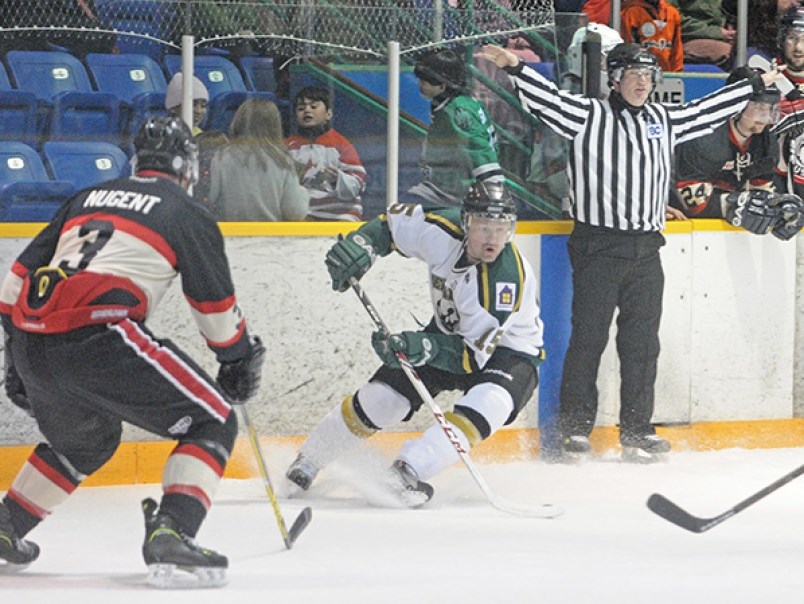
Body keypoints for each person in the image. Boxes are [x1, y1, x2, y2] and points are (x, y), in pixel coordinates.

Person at [481, 42, 783, 462]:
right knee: (588, 339)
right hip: (598, 246)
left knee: (642, 344)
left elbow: (707, 110)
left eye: (648, 76)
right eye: (634, 75)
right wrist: (516, 67)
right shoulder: (590, 115)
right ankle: (574, 430)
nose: (642, 83)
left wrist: (750, 84)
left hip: (647, 249)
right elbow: (547, 101)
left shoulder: (664, 119)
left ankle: (638, 430)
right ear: (615, 79)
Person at [0, 116, 265, 587]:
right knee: (213, 419)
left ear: (137, 162)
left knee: (85, 442)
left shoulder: (86, 198)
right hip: (101, 332)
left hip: (31, 338)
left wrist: (13, 357)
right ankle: (173, 534)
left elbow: (13, 283)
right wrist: (238, 358)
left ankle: (5, 528)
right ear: (188, 168)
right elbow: (213, 307)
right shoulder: (184, 210)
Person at [285, 182, 544, 506]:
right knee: (385, 398)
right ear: (466, 223)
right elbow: (389, 227)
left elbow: (470, 360)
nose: (493, 238)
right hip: (448, 335)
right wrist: (362, 245)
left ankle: (407, 471)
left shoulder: (502, 282)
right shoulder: (439, 229)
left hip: (509, 354)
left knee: (489, 404)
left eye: (501, 228)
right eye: (484, 227)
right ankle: (309, 460)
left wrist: (423, 346)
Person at [673, 70, 804, 238]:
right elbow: (692, 202)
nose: (765, 116)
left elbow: (760, 191)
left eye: (771, 108)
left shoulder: (766, 142)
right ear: (736, 104)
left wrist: (779, 208)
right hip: (673, 222)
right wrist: (734, 204)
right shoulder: (703, 137)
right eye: (758, 107)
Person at [401, 49, 505, 208]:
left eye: (425, 81)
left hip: (452, 191)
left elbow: (478, 148)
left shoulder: (458, 111)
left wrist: (492, 188)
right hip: (450, 187)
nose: (420, 85)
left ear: (442, 85)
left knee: (406, 209)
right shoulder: (459, 103)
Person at [209, 97, 309, 221]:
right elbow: (294, 212)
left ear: (238, 121)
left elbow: (210, 200)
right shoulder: (282, 159)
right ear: (275, 124)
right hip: (270, 237)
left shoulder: (221, 156)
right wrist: (303, 193)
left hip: (230, 235)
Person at [285, 86, 368, 222]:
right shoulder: (287, 147)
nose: (307, 110)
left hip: (341, 216)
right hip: (304, 215)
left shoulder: (341, 144)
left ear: (328, 114)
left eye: (313, 106)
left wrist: (338, 179)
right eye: (301, 108)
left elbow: (358, 184)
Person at [667, 0, 734, 69]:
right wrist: (717, 32)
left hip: (720, 35)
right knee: (731, 53)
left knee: (741, 51)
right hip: (683, 39)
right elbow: (671, 17)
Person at [620, 0, 684, 72]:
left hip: (667, 76)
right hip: (640, 75)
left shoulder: (672, 13)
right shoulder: (629, 13)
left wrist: (676, 75)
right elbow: (627, 51)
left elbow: (677, 53)